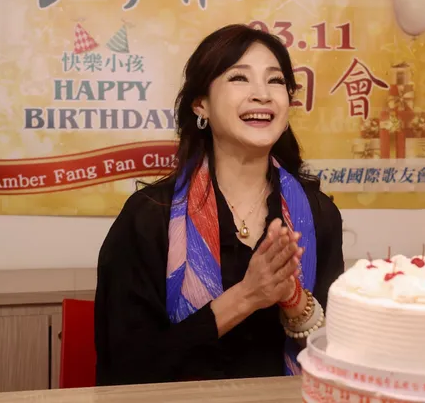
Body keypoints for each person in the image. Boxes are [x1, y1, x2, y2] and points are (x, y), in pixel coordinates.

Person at [94, 24, 344, 386]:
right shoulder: (149, 216)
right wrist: (246, 297)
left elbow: (339, 356)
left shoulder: (317, 214)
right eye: (239, 78)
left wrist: (294, 300)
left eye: (275, 81)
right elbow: (127, 368)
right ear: (201, 104)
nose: (262, 94)